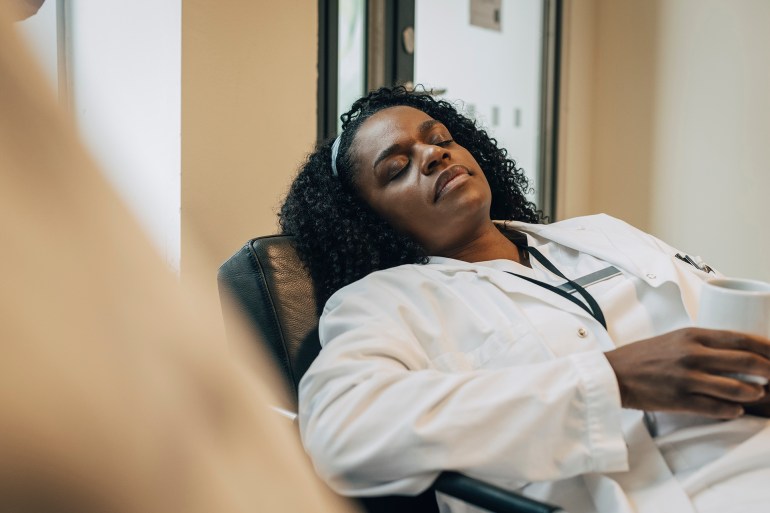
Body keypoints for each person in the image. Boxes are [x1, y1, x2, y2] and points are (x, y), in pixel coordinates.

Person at [279, 86, 770, 513]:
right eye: (397, 168)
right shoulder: (380, 303)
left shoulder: (600, 234)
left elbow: (729, 314)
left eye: (440, 139)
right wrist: (611, 380)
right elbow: (341, 432)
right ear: (368, 223)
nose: (433, 156)